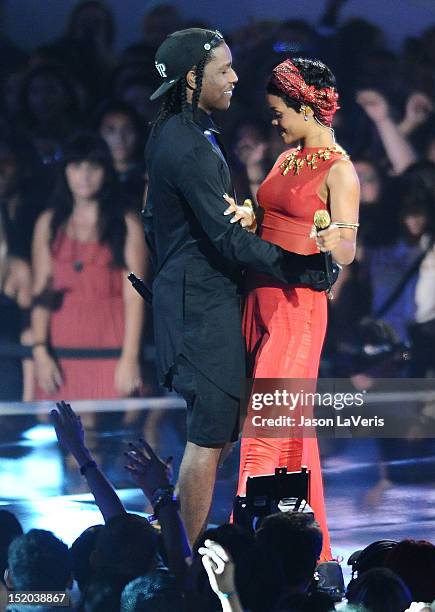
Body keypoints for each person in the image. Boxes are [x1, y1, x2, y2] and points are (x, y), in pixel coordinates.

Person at [143, 28, 333, 548]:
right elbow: (225, 239)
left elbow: (161, 219)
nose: (234, 77)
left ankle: (176, 543)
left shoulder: (189, 129)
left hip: (199, 301)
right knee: (209, 438)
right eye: (223, 70)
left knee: (219, 432)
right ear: (191, 78)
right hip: (199, 306)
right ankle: (181, 562)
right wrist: (300, 268)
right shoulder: (185, 142)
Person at [232, 57, 359, 561]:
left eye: (279, 111)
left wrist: (334, 240)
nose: (275, 121)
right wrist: (250, 215)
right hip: (258, 300)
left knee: (268, 421)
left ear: (307, 108)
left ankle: (248, 542)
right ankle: (302, 550)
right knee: (285, 425)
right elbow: (272, 213)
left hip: (296, 308)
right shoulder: (287, 160)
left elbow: (347, 248)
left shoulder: (341, 170)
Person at [31, 133, 146, 400]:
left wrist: (130, 357)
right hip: (61, 350)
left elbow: (134, 296)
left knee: (117, 433)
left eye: (93, 167)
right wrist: (39, 349)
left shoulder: (125, 224)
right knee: (58, 434)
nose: (84, 175)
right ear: (66, 172)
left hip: (111, 346)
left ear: (105, 171)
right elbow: (42, 290)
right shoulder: (49, 223)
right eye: (76, 166)